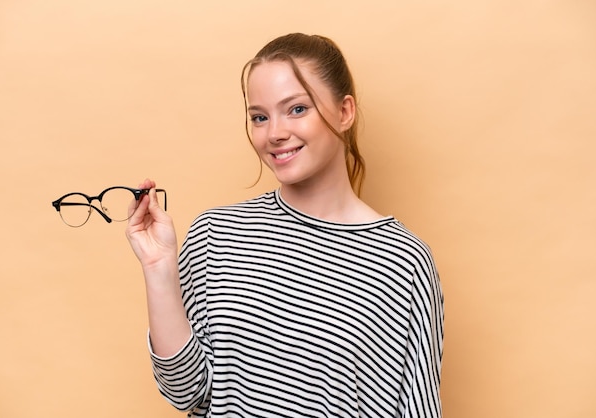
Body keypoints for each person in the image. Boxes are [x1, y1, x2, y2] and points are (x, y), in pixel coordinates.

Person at [126, 33, 444, 418]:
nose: (274, 133)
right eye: (260, 117)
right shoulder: (216, 234)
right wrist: (159, 271)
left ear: (344, 112)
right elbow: (186, 392)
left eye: (296, 109)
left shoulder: (403, 262)